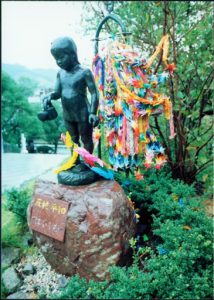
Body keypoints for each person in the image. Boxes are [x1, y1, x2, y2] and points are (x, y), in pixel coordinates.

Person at [42, 37, 99, 157]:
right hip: (68, 114)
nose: (59, 61)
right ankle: (75, 160)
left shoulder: (84, 72)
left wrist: (93, 112)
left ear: (73, 55)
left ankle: (88, 162)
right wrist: (49, 96)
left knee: (86, 139)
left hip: (83, 113)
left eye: (61, 57)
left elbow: (94, 93)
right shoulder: (60, 73)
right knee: (73, 139)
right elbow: (57, 93)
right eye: (56, 59)